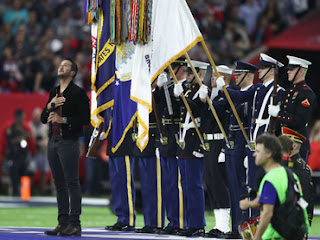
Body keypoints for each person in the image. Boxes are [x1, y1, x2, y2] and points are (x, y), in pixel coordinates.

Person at [216, 53, 285, 192]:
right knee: (252, 186)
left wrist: (278, 114)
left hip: (266, 140)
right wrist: (224, 89)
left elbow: (283, 122)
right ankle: (254, 215)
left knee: (264, 184)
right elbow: (240, 97)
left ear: (272, 71)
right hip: (253, 141)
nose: (259, 70)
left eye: (263, 68)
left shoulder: (279, 91)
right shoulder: (258, 88)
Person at [41, 57, 90, 236]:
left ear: (73, 73)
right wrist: (49, 106)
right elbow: (42, 118)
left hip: (68, 142)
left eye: (66, 65)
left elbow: (86, 119)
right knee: (59, 184)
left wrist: (64, 120)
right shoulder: (54, 91)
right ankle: (62, 223)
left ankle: (75, 223)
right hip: (53, 142)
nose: (61, 66)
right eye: (60, 64)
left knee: (72, 183)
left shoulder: (78, 93)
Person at [239, 133, 309, 239]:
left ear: (269, 154)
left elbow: (267, 213)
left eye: (258, 151)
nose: (254, 154)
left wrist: (257, 237)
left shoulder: (270, 179)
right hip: (297, 232)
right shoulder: (290, 174)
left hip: (275, 235)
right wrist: (249, 204)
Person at [174, 60, 208, 237]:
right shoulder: (187, 91)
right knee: (185, 185)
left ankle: (198, 224)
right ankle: (189, 223)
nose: (187, 76)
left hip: (194, 141)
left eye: (191, 73)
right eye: (186, 73)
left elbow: (197, 111)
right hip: (184, 141)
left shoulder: (202, 91)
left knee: (194, 186)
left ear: (200, 74)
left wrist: (183, 98)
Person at [154, 58, 187, 235]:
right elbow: (157, 106)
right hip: (165, 137)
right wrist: (158, 89)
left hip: (178, 137)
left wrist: (174, 93)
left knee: (179, 184)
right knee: (168, 183)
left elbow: (178, 108)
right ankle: (172, 220)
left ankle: (182, 221)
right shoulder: (166, 86)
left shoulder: (186, 88)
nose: (170, 72)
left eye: (174, 68)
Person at [199, 65, 232, 238]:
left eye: (215, 78)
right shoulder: (213, 95)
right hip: (209, 144)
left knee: (220, 184)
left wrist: (213, 98)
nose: (212, 80)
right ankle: (218, 224)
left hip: (220, 142)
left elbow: (217, 112)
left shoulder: (227, 95)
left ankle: (224, 225)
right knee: (211, 184)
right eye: (212, 77)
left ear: (223, 79)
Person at [270, 55, 316, 161]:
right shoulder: (289, 91)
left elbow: (300, 121)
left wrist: (278, 114)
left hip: (296, 145)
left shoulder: (306, 93)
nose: (288, 72)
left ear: (300, 72)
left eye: (291, 69)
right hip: (283, 144)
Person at [134, 109, 164, 234]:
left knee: (155, 186)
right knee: (146, 186)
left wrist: (158, 142)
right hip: (143, 139)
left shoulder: (158, 93)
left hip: (155, 140)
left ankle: (157, 222)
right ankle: (149, 221)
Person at [280, 127, 314, 225]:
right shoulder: (282, 164)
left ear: (294, 146)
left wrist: (305, 222)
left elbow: (306, 197)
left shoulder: (300, 168)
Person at [104, 128, 136, 232]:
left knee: (125, 183)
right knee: (116, 184)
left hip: (124, 139)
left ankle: (128, 219)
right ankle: (121, 218)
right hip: (112, 139)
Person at [5, 109, 34, 196]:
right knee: (15, 177)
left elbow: (29, 136)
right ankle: (15, 195)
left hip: (23, 156)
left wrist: (22, 132)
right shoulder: (10, 129)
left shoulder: (24, 128)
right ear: (17, 117)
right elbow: (10, 141)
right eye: (22, 117)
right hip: (14, 156)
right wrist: (20, 138)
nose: (23, 119)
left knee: (25, 176)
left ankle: (25, 195)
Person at [29, 107, 49, 195]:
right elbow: (28, 137)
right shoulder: (29, 125)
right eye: (35, 115)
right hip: (33, 152)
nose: (37, 117)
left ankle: (43, 190)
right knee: (31, 171)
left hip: (42, 151)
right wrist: (34, 142)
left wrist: (43, 142)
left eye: (38, 115)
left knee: (43, 171)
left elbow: (49, 137)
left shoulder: (45, 126)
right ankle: (30, 189)